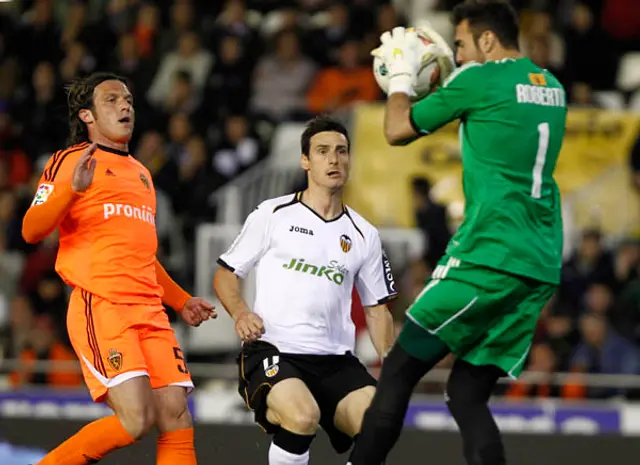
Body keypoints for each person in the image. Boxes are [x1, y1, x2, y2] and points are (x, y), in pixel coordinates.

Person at [347, 1, 567, 464]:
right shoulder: (552, 87)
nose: (459, 57)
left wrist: (402, 80)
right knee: (466, 394)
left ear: (488, 40)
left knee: (399, 372)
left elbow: (396, 129)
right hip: (538, 262)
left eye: (463, 44)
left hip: (488, 253)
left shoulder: (479, 80)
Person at [21, 72, 216, 465]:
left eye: (127, 99)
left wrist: (179, 301)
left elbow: (142, 255)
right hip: (103, 305)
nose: (125, 105)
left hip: (150, 312)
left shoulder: (142, 173)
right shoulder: (70, 161)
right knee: (136, 418)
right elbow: (30, 229)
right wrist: (70, 191)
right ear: (87, 116)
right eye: (111, 100)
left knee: (176, 416)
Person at [213, 116, 397, 465]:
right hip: (275, 351)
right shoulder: (273, 214)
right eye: (323, 151)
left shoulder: (364, 234)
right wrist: (240, 313)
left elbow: (377, 309)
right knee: (301, 416)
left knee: (380, 424)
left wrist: (391, 362)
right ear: (305, 161)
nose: (334, 160)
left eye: (341, 152)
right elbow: (225, 275)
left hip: (335, 360)